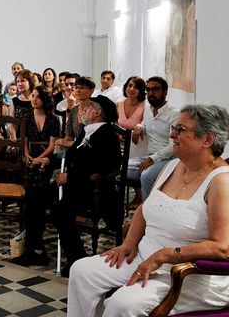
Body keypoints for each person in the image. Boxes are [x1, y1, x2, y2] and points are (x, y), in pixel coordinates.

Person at [68, 104, 229, 317]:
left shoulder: (221, 181)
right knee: (82, 272)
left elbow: (223, 248)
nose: (172, 134)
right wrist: (128, 244)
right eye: (173, 127)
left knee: (122, 303)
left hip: (188, 274)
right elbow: (146, 208)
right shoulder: (171, 166)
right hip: (145, 256)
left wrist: (165, 255)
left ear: (207, 139)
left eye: (180, 129)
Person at [53, 95, 121, 274]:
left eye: (88, 106)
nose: (84, 109)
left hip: (93, 191)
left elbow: (106, 166)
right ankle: (34, 249)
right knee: (36, 195)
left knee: (60, 210)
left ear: (97, 112)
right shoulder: (86, 131)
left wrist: (71, 176)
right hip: (75, 187)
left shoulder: (107, 135)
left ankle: (77, 260)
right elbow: (75, 156)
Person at [11, 86, 61, 266]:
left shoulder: (54, 119)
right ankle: (36, 247)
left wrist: (40, 159)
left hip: (47, 158)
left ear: (45, 99)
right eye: (32, 96)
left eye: (38, 97)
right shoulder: (25, 116)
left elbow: (53, 145)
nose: (34, 99)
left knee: (35, 188)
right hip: (29, 156)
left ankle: (35, 248)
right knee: (34, 186)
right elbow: (22, 140)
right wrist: (27, 156)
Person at [133, 77, 179, 200]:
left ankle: (147, 212)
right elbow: (144, 124)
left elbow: (173, 145)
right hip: (150, 156)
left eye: (155, 90)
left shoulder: (174, 114)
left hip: (168, 158)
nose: (150, 93)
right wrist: (139, 128)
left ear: (165, 92)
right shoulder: (148, 109)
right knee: (122, 168)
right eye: (148, 90)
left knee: (146, 176)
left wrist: (152, 159)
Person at [117, 76, 148, 208]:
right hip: (120, 141)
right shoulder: (118, 104)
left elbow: (145, 124)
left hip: (138, 142)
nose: (131, 89)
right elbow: (113, 123)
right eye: (129, 85)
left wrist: (138, 128)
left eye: (135, 87)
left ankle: (139, 195)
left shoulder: (145, 106)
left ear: (141, 90)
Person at [54, 76, 96, 156]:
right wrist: (62, 142)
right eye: (76, 87)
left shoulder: (95, 109)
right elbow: (69, 134)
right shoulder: (74, 110)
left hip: (92, 150)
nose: (78, 90)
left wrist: (68, 143)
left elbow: (90, 140)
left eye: (82, 88)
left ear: (92, 90)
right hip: (76, 150)